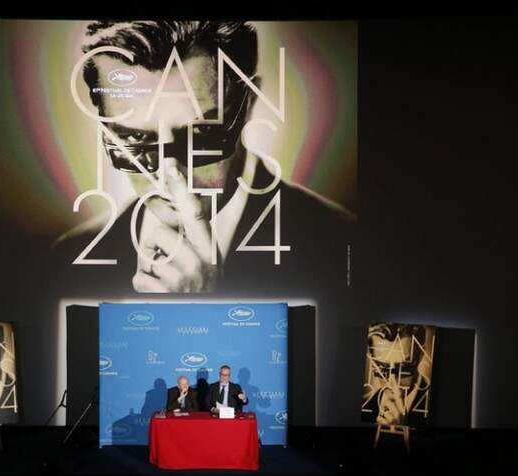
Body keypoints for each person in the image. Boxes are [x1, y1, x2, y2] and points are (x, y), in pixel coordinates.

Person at [54, 21, 356, 295]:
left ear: (248, 105)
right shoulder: (69, 258)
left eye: (200, 134)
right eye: (134, 138)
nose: (169, 174)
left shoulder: (341, 247)